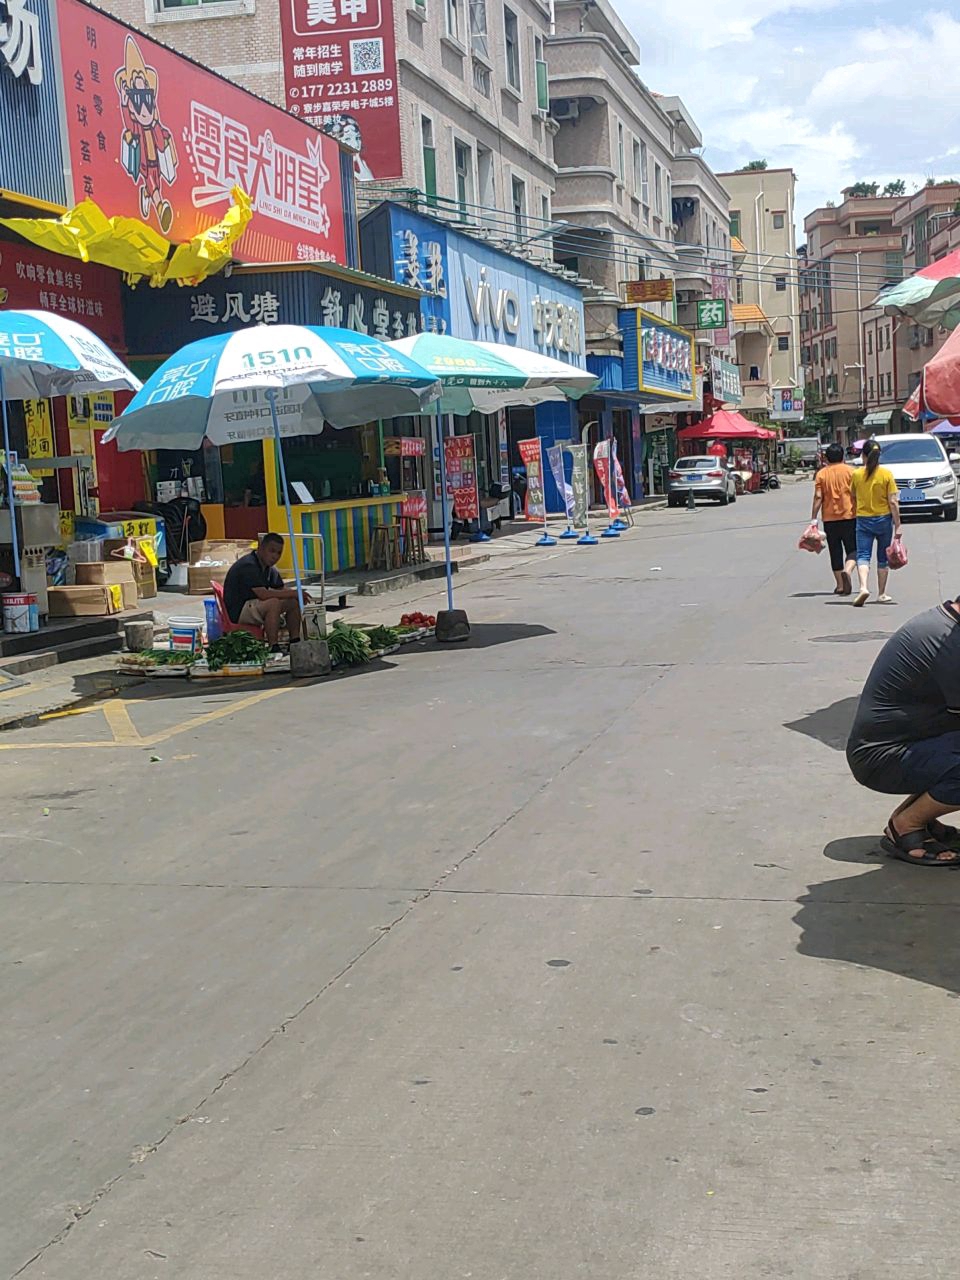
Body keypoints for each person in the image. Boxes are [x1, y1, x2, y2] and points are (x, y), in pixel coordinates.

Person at [847, 600, 960, 866]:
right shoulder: (950, 644)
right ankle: (908, 826)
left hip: (908, 744)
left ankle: (915, 816)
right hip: (882, 759)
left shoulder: (946, 626)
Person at [222, 533, 306, 648]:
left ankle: (295, 642)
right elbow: (263, 594)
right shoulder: (249, 565)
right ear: (261, 548)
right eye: (271, 551)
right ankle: (273, 647)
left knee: (293, 602)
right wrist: (294, 592)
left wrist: (297, 595)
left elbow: (280, 588)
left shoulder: (269, 568)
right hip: (239, 610)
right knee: (273, 603)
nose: (275, 556)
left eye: (278, 553)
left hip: (254, 606)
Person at [850, 439, 901, 608]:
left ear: (863, 455)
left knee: (863, 555)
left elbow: (853, 497)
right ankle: (881, 594)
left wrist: (859, 510)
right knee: (882, 558)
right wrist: (898, 525)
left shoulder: (857, 474)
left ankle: (863, 587)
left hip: (863, 519)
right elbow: (893, 501)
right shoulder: (886, 474)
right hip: (883, 519)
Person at [811, 442, 856, 595]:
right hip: (850, 516)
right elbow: (856, 494)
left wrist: (813, 518)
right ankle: (848, 571)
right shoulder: (851, 472)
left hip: (830, 519)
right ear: (843, 456)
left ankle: (840, 585)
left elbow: (818, 497)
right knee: (853, 549)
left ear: (826, 458)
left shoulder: (821, 474)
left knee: (835, 551)